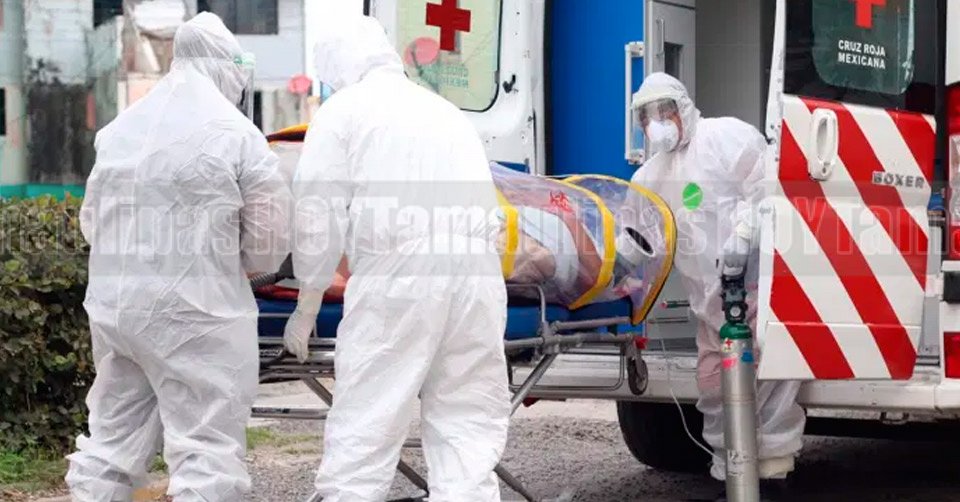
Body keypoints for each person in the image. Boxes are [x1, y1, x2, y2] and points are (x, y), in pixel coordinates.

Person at [282, 12, 511, 502]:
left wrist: (306, 307)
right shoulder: (446, 112)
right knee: (467, 422)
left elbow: (316, 217)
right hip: (478, 275)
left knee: (368, 419)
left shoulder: (343, 112)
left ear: (338, 64)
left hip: (401, 276)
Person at [66, 13, 291, 501]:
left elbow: (91, 222)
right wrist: (243, 267)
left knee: (111, 438)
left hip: (117, 310)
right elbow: (268, 242)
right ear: (225, 64)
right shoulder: (236, 133)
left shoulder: (121, 129)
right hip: (196, 316)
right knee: (206, 447)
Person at [629, 73, 805, 481]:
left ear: (683, 108)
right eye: (646, 117)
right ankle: (729, 468)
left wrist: (744, 235)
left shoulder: (727, 138)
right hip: (709, 306)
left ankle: (773, 467)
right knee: (714, 385)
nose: (656, 123)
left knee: (768, 373)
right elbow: (639, 235)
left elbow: (765, 190)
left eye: (664, 111)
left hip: (757, 288)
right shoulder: (650, 177)